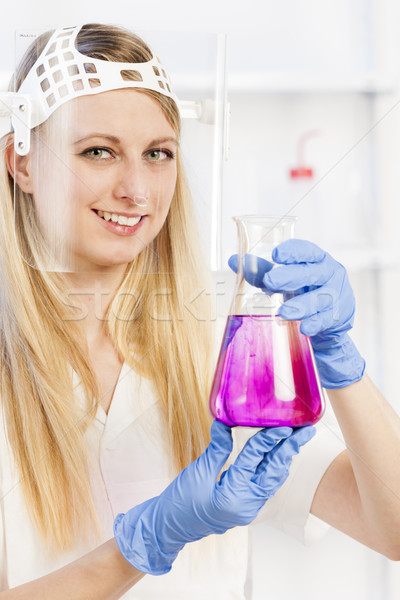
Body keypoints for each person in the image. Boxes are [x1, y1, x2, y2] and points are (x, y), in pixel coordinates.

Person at [0, 22, 399, 600]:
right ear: (23, 162)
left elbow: (391, 526)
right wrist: (146, 541)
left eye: (158, 153)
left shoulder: (221, 350)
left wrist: (344, 365)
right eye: (98, 151)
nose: (137, 189)